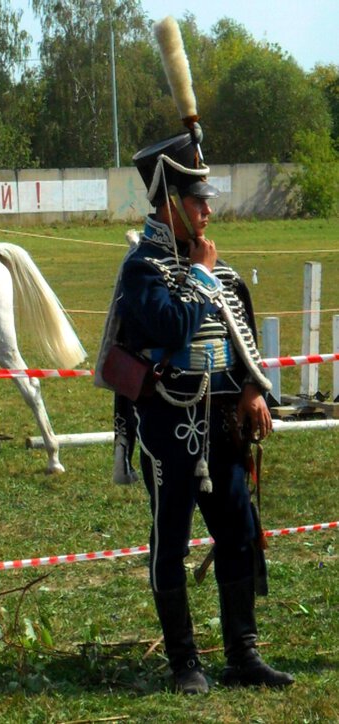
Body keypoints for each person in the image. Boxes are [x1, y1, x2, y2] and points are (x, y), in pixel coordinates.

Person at [98, 127, 294, 694]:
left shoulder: (223, 274)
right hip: (168, 428)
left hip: (224, 429)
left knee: (237, 532)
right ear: (168, 205)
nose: (207, 210)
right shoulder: (142, 272)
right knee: (172, 541)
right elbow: (170, 325)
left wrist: (254, 392)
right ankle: (184, 662)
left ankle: (243, 655)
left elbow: (242, 342)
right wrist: (202, 277)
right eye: (197, 200)